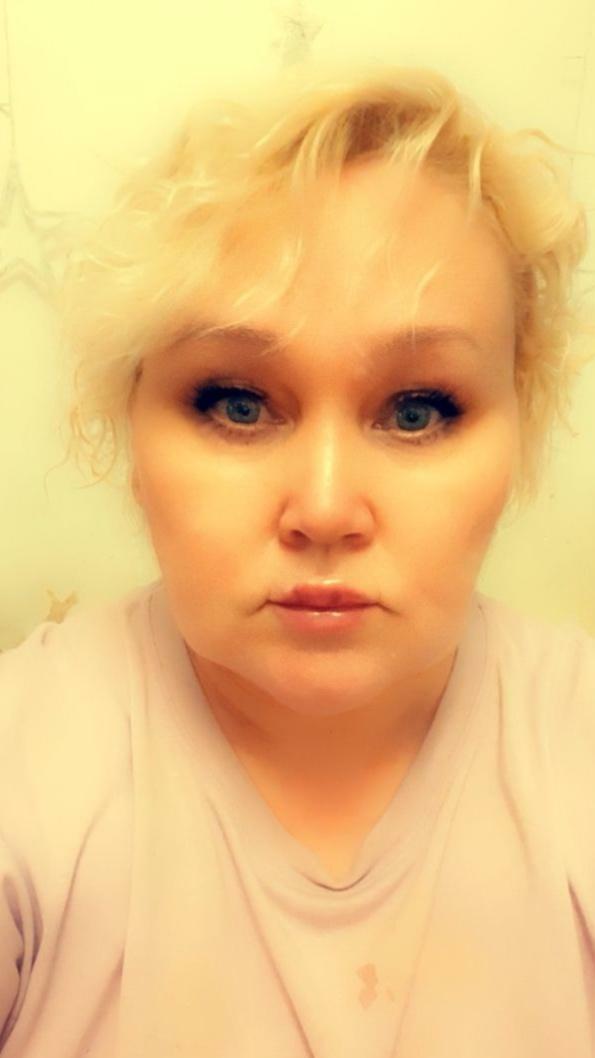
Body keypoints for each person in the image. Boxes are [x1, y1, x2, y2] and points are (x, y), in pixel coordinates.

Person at [1, 56, 594, 1058]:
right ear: (129, 433)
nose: (323, 509)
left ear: (518, 431)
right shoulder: (24, 768)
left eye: (417, 410)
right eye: (236, 404)